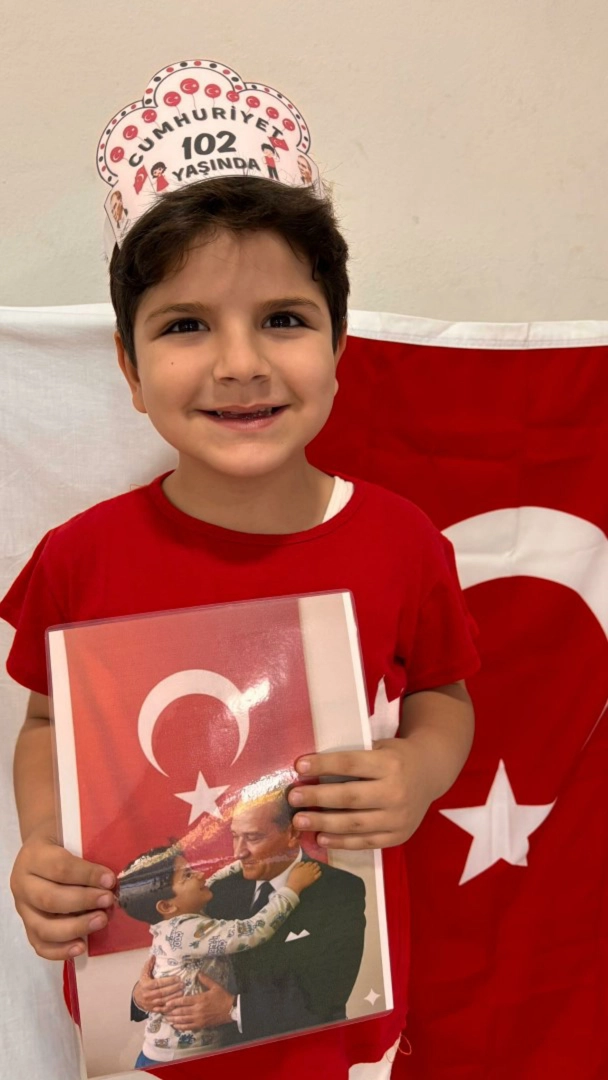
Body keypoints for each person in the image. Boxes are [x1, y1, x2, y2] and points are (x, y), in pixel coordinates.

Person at [3, 169, 479, 1079]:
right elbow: (45, 722)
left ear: (339, 345)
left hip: (335, 1012)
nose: (239, 363)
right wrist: (45, 842)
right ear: (129, 368)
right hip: (142, 1040)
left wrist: (417, 773)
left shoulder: (402, 541)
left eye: (283, 319)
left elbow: (443, 697)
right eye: (186, 325)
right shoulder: (79, 558)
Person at [131, 791, 366, 1047]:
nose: (238, 852)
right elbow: (180, 956)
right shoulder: (216, 890)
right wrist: (144, 996)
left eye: (253, 837)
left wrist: (233, 1009)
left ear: (292, 834)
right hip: (216, 1054)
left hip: (302, 1052)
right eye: (235, 836)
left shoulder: (340, 890)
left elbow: (328, 996)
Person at [117, 836, 321, 1066]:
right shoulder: (185, 930)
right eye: (187, 875)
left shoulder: (175, 919)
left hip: (180, 1055)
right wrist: (292, 889)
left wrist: (244, 861)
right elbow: (253, 931)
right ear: (167, 906)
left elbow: (213, 880)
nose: (200, 874)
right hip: (180, 1062)